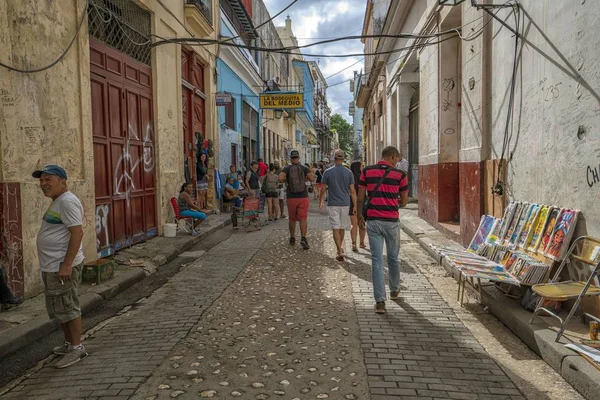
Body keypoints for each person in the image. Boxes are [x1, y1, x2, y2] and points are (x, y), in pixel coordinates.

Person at [33, 165, 87, 368]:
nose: (43, 184)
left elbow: (77, 233)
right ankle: (69, 344)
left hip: (61, 267)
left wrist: (66, 264)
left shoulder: (67, 201)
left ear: (63, 181)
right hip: (52, 266)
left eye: (48, 180)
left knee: (68, 306)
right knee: (59, 308)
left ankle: (77, 348)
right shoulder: (59, 201)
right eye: (41, 181)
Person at [357, 147, 409, 314]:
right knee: (393, 257)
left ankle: (380, 302)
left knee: (377, 261)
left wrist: (359, 216)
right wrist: (392, 201)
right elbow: (405, 202)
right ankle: (394, 290)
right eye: (397, 159)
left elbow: (360, 197)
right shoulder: (400, 175)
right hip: (392, 222)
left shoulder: (367, 171)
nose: (397, 162)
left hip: (373, 221)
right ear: (393, 157)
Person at [320, 150, 356, 261]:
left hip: (333, 204)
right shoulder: (349, 172)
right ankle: (340, 248)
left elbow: (323, 189)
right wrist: (355, 205)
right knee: (342, 227)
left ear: (334, 159)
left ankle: (339, 250)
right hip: (345, 203)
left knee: (335, 226)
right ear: (343, 159)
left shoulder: (328, 172)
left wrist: (321, 200)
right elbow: (353, 191)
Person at [279, 150, 315, 249]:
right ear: (299, 158)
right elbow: (312, 179)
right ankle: (303, 238)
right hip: (303, 196)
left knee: (292, 219)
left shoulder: (287, 168)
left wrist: (287, 179)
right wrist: (305, 178)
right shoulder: (304, 168)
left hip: (291, 197)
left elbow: (280, 178)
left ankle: (292, 237)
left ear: (291, 158)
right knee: (303, 218)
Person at [350, 160, 367, 252]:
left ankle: (353, 243)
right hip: (362, 202)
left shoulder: (350, 177)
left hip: (352, 202)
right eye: (362, 166)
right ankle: (362, 242)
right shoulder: (363, 177)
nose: (362, 167)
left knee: (353, 224)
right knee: (362, 222)